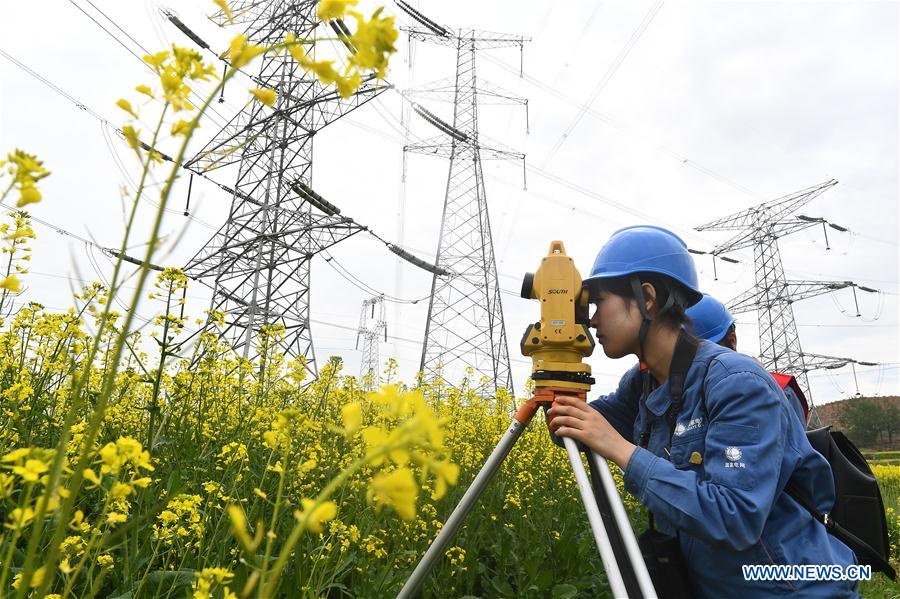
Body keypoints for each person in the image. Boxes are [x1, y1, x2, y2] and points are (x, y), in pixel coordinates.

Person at [546, 225, 858, 598]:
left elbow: (736, 518)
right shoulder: (644, 383)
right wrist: (557, 361)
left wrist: (620, 449)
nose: (592, 319)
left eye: (599, 302)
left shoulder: (736, 382)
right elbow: (573, 430)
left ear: (647, 298)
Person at [686, 293, 809, 426]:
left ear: (732, 341)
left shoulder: (780, 389)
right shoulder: (682, 401)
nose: (699, 364)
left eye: (707, 352)